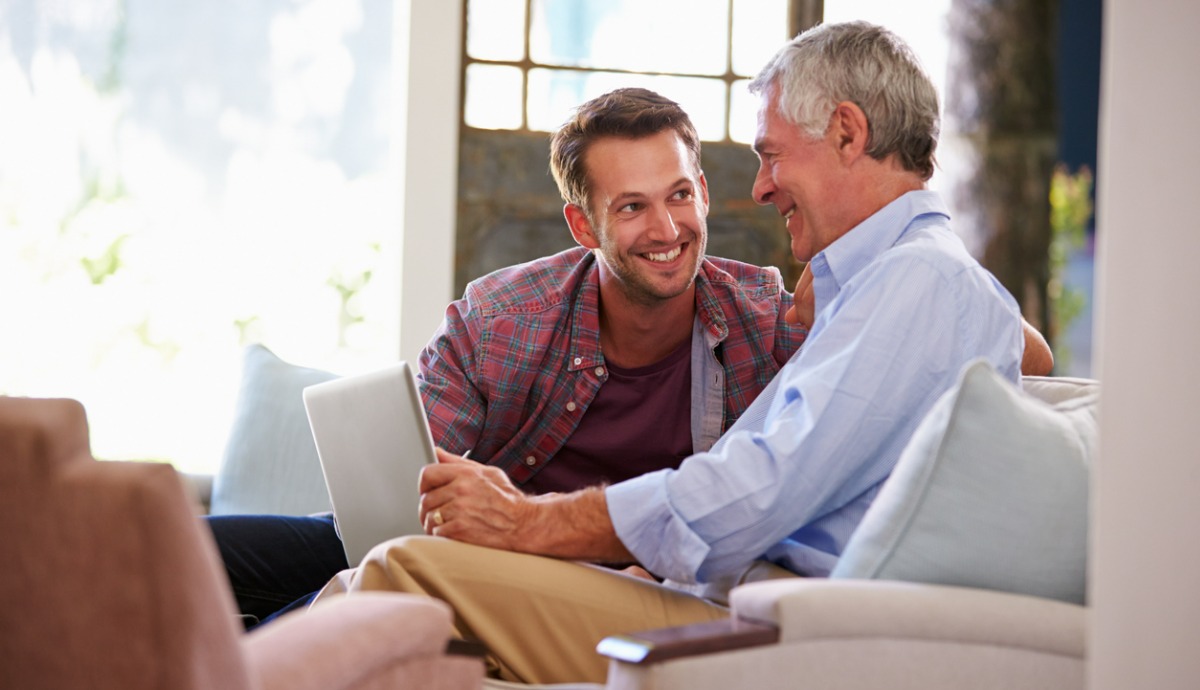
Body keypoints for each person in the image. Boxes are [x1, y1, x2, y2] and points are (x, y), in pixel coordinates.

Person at [313, 21, 1037, 685]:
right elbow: (997, 335)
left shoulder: (919, 280)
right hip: (717, 599)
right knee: (359, 587)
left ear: (848, 134)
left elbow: (755, 491)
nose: (758, 187)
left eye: (770, 155)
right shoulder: (891, 284)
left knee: (401, 571)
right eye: (630, 206)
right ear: (584, 225)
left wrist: (530, 521)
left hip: (766, 630)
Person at [208, 87, 809, 628]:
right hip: (470, 553)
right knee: (180, 551)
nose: (666, 228)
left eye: (679, 195)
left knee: (332, 608)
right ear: (583, 225)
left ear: (702, 193)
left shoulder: (768, 325)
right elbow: (413, 481)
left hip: (566, 581)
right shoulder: (501, 318)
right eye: (631, 208)